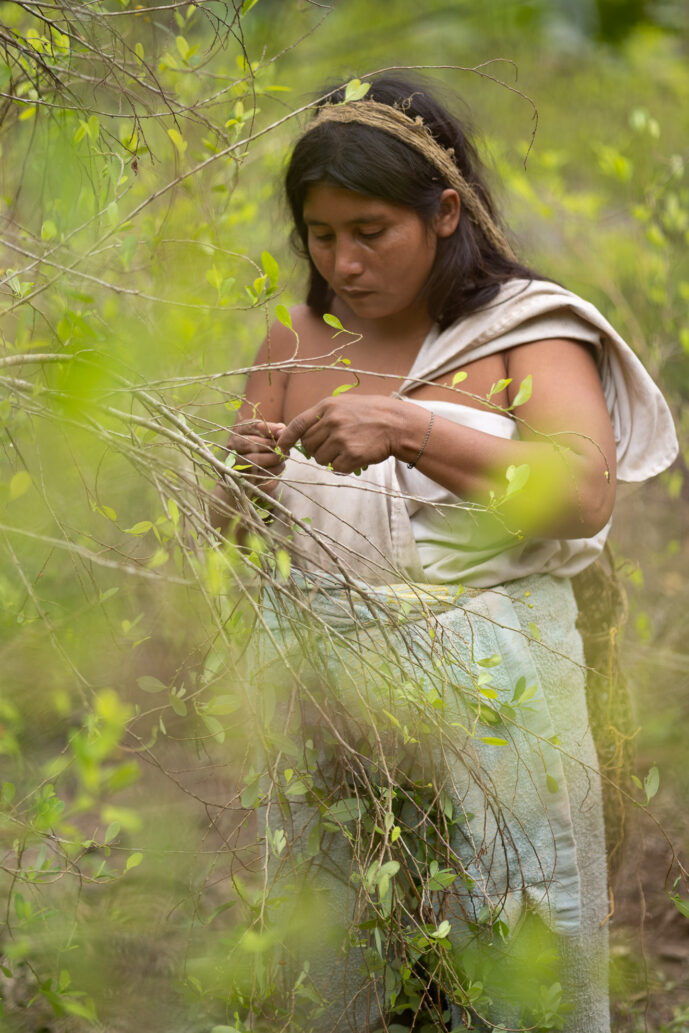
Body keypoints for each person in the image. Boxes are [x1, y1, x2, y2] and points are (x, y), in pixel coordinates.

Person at [212, 75, 677, 1033]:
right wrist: (242, 483)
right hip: (330, 710)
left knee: (507, 946)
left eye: (369, 230)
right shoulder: (292, 339)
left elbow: (580, 492)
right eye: (320, 233)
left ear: (445, 211)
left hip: (495, 706)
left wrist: (410, 427)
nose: (342, 261)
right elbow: (230, 534)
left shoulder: (526, 330)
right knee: (337, 952)